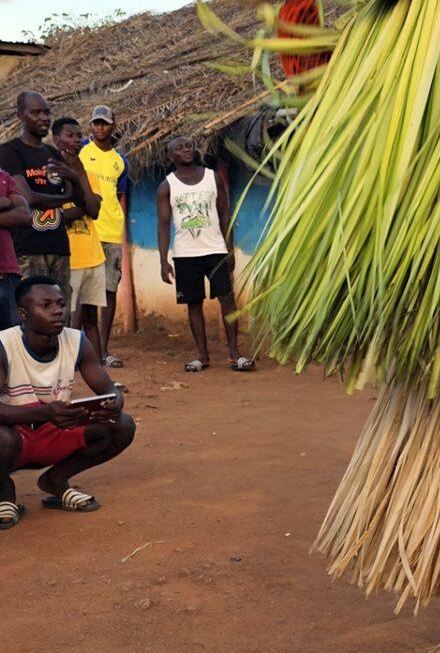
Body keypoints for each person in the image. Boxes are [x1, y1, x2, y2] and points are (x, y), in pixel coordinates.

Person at [0, 276, 135, 529]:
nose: (58, 311)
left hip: (56, 429)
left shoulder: (76, 341)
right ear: (23, 314)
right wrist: (44, 413)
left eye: (61, 304)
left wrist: (115, 402)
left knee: (122, 425)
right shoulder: (4, 345)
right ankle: (4, 493)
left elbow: (108, 389)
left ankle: (56, 480)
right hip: (15, 436)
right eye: (46, 305)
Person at [157, 136, 254, 373]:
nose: (186, 149)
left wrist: (229, 249)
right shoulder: (167, 186)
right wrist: (163, 261)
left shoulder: (212, 177)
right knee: (193, 304)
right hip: (185, 255)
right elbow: (163, 224)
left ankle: (234, 353)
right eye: (179, 148)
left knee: (227, 300)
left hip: (215, 251)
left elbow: (224, 214)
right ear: (170, 156)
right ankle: (202, 355)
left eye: (189, 145)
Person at [0, 91, 82, 309]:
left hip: (59, 246)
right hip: (28, 248)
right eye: (35, 113)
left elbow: (79, 198)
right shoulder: (9, 151)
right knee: (31, 314)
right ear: (20, 115)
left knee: (60, 315)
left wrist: (74, 179)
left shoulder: (53, 154)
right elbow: (27, 197)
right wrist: (64, 197)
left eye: (46, 112)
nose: (44, 118)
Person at [79, 104, 129, 369]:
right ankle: (79, 350)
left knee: (109, 290)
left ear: (113, 125)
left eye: (105, 123)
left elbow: (118, 196)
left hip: (111, 232)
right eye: (96, 123)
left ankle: (104, 350)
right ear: (91, 125)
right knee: (82, 293)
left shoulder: (121, 161)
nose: (100, 127)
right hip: (85, 231)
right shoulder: (81, 151)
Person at [52, 118, 106, 359]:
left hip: (93, 256)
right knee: (66, 319)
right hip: (68, 258)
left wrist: (78, 174)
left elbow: (94, 211)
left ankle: (97, 367)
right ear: (56, 139)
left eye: (78, 135)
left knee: (91, 318)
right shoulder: (48, 177)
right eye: (69, 135)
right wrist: (84, 204)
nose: (76, 140)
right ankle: (66, 366)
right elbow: (56, 217)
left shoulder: (87, 173)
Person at [0, 170, 31, 330]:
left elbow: (25, 215)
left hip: (7, 276)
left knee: (12, 339)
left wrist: (7, 203)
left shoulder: (3, 176)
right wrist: (4, 203)